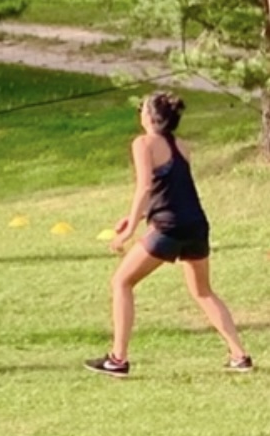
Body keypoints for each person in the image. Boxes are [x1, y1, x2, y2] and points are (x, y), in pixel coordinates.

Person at [86, 91, 252, 377]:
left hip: (168, 227)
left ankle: (118, 359)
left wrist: (129, 231)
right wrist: (136, 217)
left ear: (150, 117)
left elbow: (145, 187)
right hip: (196, 225)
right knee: (203, 291)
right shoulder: (181, 145)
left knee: (121, 282)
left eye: (142, 109)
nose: (140, 113)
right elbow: (170, 189)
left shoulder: (142, 143)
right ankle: (240, 356)